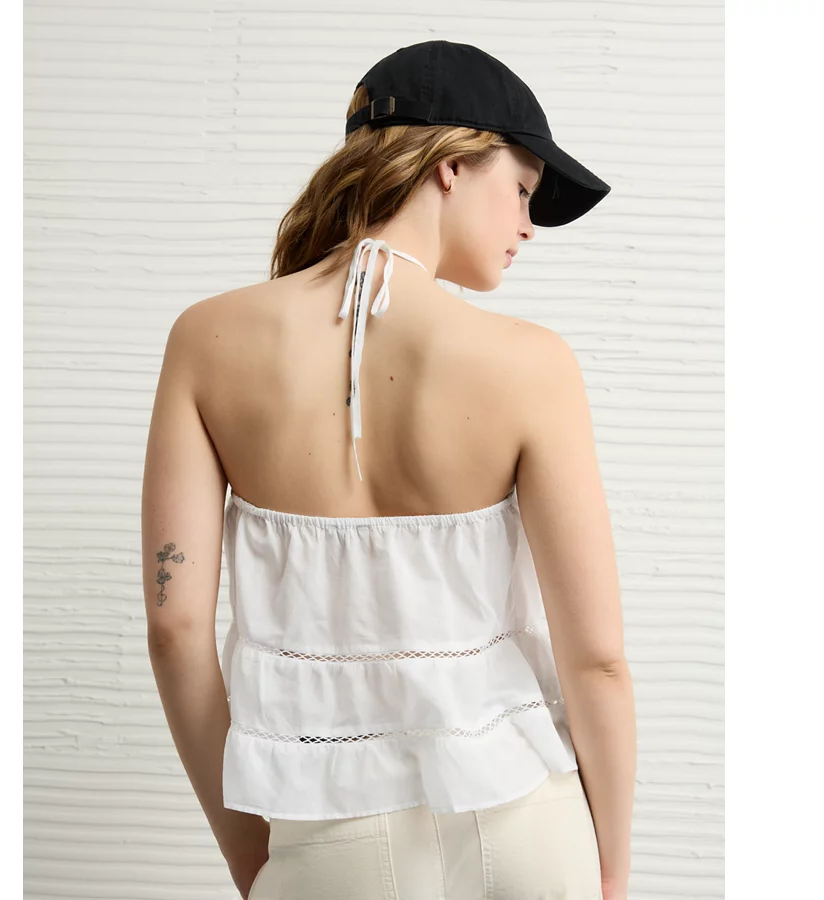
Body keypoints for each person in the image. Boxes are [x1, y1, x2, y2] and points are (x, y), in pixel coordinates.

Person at [142, 40, 635, 900]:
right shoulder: (531, 363)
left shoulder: (206, 342)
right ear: (451, 165)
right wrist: (613, 871)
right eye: (522, 190)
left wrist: (255, 855)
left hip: (329, 837)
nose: (527, 225)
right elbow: (596, 659)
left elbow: (175, 629)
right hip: (530, 820)